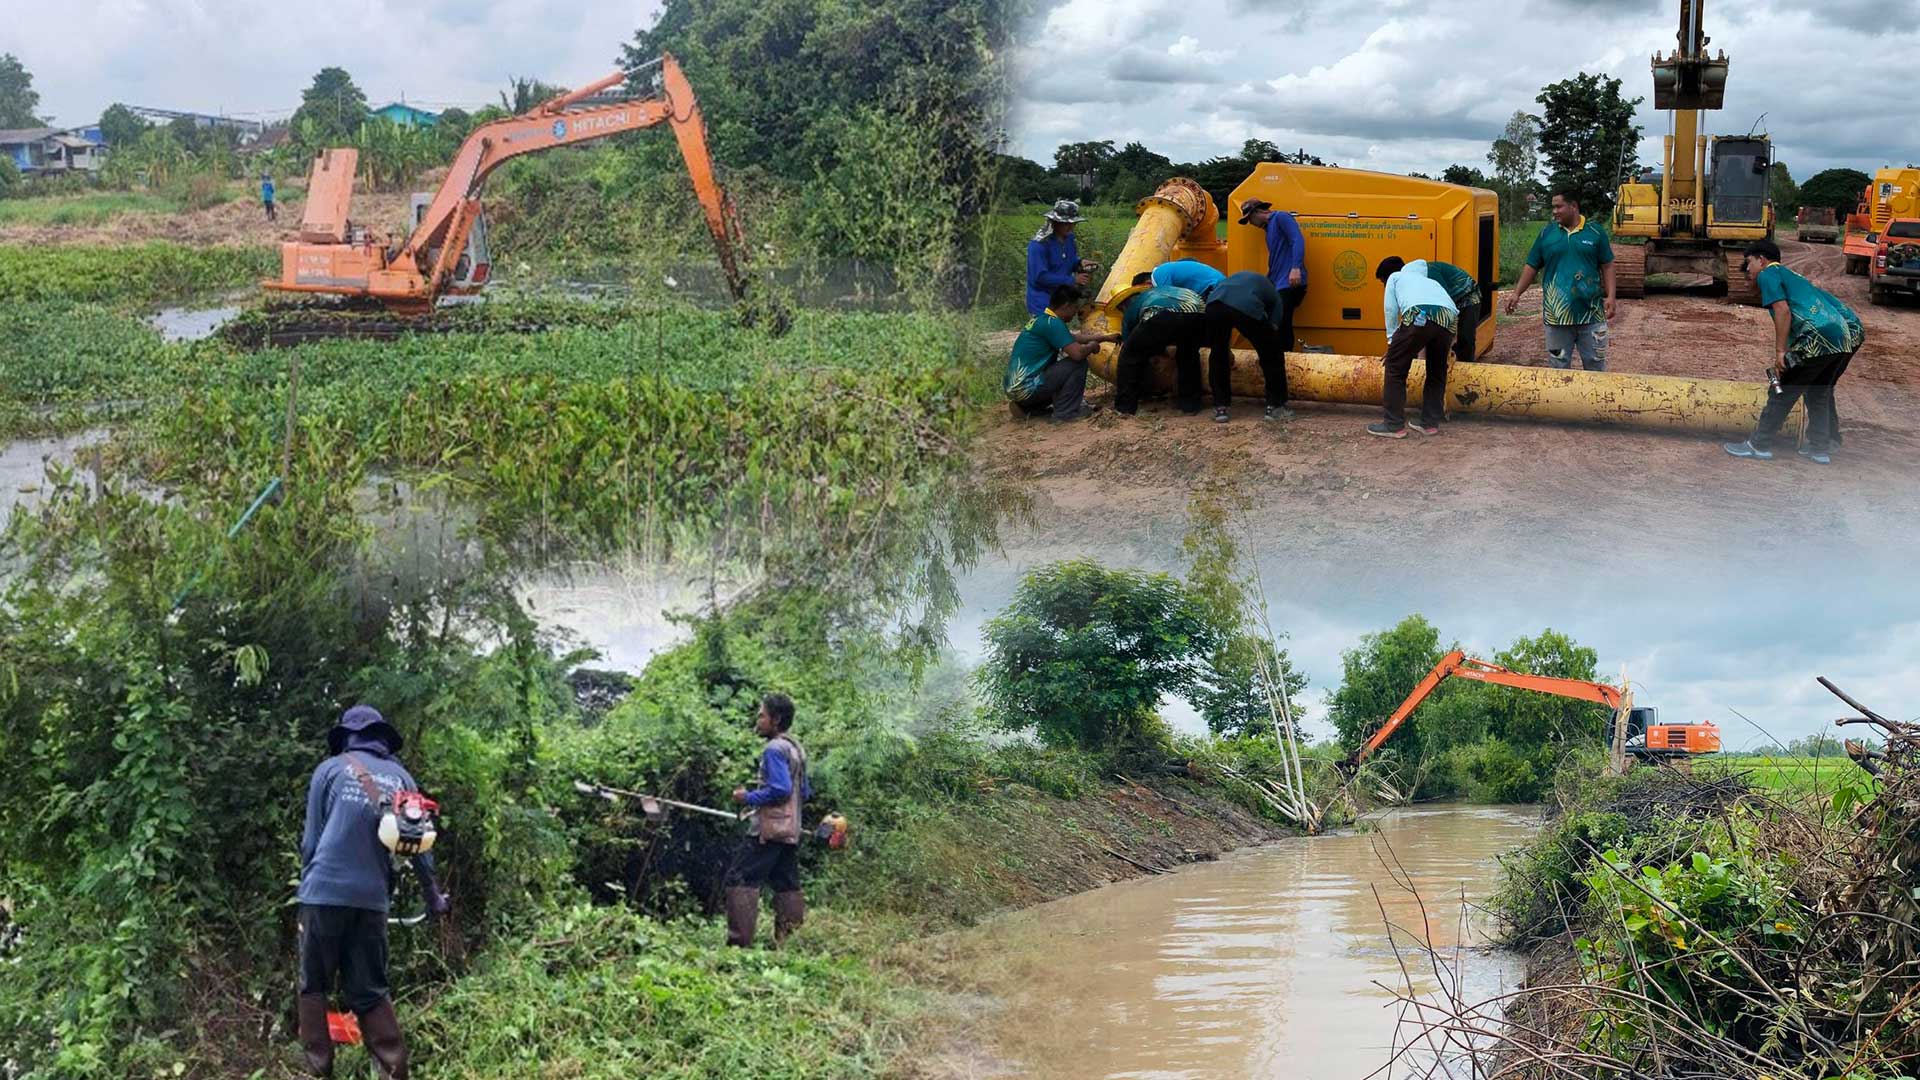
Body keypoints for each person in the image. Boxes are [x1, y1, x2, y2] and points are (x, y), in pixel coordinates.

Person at [297, 706, 449, 1080]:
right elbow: (420, 848)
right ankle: (393, 1072)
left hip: (322, 896)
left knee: (313, 985)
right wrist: (434, 899)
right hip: (371, 902)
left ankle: (319, 1073)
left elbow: (311, 842)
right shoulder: (402, 778)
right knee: (370, 991)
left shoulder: (329, 770)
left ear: (347, 736)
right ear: (381, 737)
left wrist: (308, 889)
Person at [1723, 240, 1864, 466]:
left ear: (1761, 259)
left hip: (1817, 338)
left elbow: (1782, 310)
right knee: (1819, 391)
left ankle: (1759, 445)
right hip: (1842, 338)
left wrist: (1781, 352)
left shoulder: (1769, 273)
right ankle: (1820, 448)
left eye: (1748, 263)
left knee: (1782, 389)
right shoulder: (1794, 277)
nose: (1747, 270)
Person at [727, 693, 811, 949]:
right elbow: (804, 792)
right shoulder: (796, 748)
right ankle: (789, 942)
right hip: (790, 829)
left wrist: (747, 797)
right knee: (786, 883)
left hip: (769, 830)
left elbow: (781, 790)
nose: (758, 719)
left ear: (777, 719)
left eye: (762, 715)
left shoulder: (774, 749)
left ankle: (738, 946)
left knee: (739, 879)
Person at [1504, 192, 1615, 370]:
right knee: (1558, 365)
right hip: (1556, 319)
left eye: (1558, 206)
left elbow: (1607, 265)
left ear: (1573, 206)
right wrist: (1517, 293)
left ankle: (1593, 399)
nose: (1554, 211)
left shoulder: (1595, 232)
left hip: (1592, 316)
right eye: (1553, 207)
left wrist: (1611, 296)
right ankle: (1561, 399)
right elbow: (1531, 265)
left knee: (1595, 365)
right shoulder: (1546, 234)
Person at [1370, 258, 1458, 438]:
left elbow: (1390, 310)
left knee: (1395, 367)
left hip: (1419, 313)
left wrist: (1391, 343)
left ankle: (1393, 425)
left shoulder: (1395, 278)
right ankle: (1430, 423)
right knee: (1436, 370)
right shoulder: (1429, 281)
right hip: (1449, 315)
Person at [1005, 284, 1117, 422]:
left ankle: (1027, 408)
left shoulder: (1043, 319)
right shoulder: (1054, 324)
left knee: (1058, 372)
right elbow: (1077, 353)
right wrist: (1092, 346)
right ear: (1066, 305)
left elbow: (1073, 338)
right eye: (1075, 307)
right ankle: (1066, 413)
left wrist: (1105, 338)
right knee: (1078, 363)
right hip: (1028, 387)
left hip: (1017, 388)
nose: (1076, 312)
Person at [1202, 270, 1292, 423]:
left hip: (1214, 305)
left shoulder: (1243, 279)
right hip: (1245, 305)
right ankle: (1275, 406)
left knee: (1218, 353)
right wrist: (1263, 338)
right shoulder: (1274, 294)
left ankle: (1220, 407)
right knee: (1272, 354)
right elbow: (1273, 326)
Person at [1113, 279, 1209, 416]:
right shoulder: (1159, 292)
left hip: (1163, 314)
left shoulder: (1130, 310)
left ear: (1122, 305)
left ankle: (1125, 408)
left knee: (1129, 356)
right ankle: (1191, 404)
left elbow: (1131, 344)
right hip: (1199, 312)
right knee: (1188, 354)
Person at [1382, 256, 1481, 366]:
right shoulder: (1414, 279)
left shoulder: (1430, 273)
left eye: (1384, 282)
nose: (1385, 287)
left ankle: (1466, 371)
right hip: (1449, 304)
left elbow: (1443, 302)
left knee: (1465, 339)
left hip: (1468, 297)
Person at [1238, 198, 1308, 351]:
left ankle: (1285, 360)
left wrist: (1295, 268)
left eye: (1249, 219)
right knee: (1276, 321)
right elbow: (1277, 260)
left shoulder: (1281, 217)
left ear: (1257, 212)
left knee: (1283, 324)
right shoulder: (1269, 229)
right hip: (1279, 283)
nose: (1250, 223)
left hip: (1289, 282)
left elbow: (1297, 240)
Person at [1026, 199, 1097, 317]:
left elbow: (1068, 261)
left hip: (1063, 301)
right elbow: (1040, 277)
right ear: (1054, 222)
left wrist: (1080, 263)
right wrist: (1072, 280)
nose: (1070, 227)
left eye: (1072, 223)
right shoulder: (1039, 245)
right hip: (1042, 303)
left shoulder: (1069, 239)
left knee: (1060, 333)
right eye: (1065, 223)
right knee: (1048, 333)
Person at [1150, 258, 1226, 295]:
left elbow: (1168, 299)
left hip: (1213, 288)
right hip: (1218, 283)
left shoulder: (1158, 275)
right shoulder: (1166, 269)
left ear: (1146, 282)